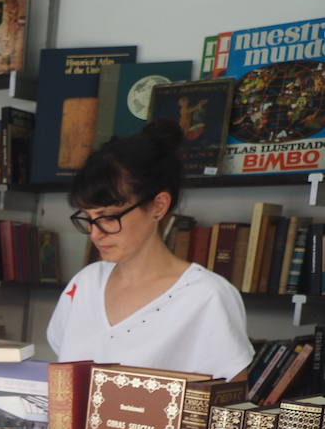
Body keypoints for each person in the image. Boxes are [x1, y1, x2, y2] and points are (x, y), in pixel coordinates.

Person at [46, 121, 253, 380]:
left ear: (158, 206)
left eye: (108, 217)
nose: (95, 233)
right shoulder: (85, 284)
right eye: (87, 217)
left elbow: (230, 406)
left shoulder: (205, 296)